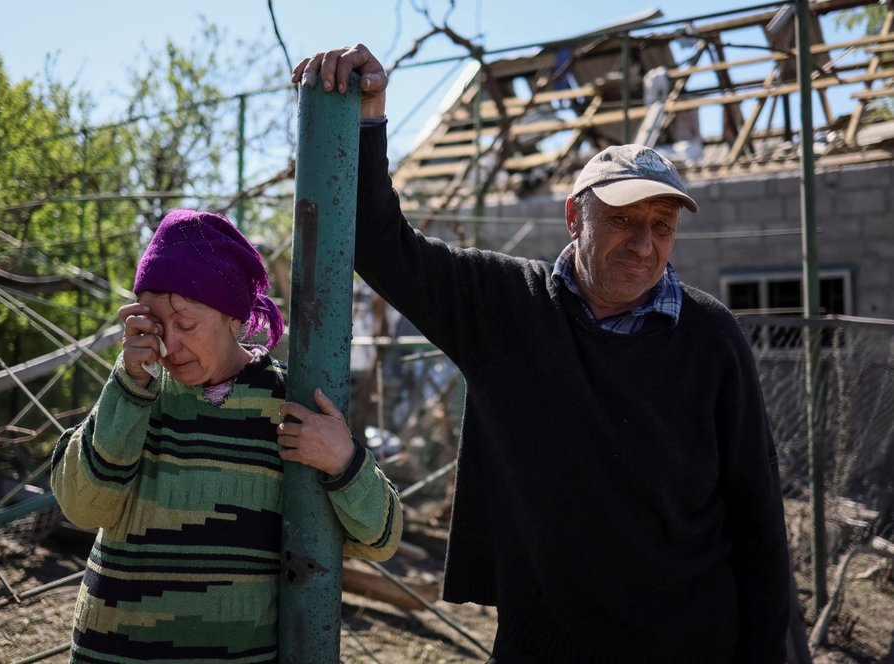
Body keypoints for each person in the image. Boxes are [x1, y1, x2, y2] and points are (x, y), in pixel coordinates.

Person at [292, 45, 792, 663]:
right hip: (545, 644)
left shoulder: (711, 336)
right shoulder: (506, 306)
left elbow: (759, 518)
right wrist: (369, 117)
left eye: (662, 225)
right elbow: (378, 244)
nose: (644, 244)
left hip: (690, 642)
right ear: (573, 218)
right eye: (623, 219)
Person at [51, 208, 402, 663]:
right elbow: (82, 507)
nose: (169, 345)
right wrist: (128, 387)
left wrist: (343, 462)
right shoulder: (137, 389)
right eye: (157, 324)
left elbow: (381, 540)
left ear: (234, 318)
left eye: (187, 324)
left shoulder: (285, 401)